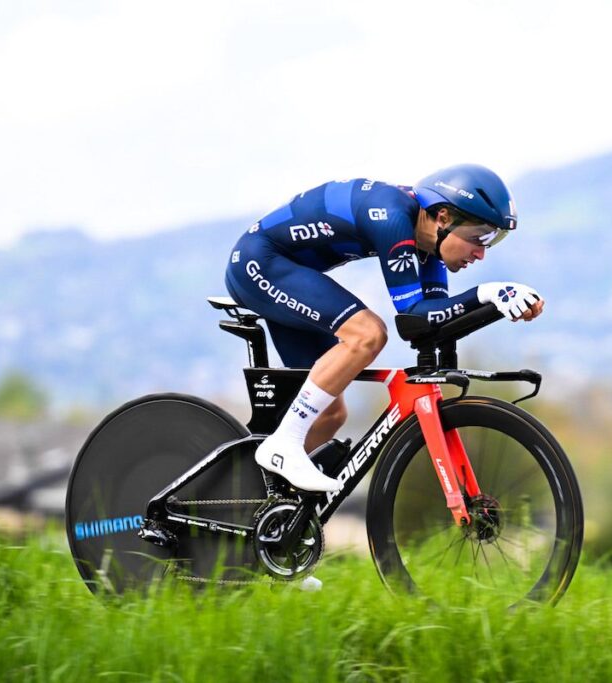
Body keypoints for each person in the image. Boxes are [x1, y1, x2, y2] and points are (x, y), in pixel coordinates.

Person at [224, 164, 544, 492]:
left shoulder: (429, 244)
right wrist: (486, 293)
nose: (481, 254)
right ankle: (284, 445)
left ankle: (266, 500)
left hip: (289, 272)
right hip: (259, 263)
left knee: (330, 415)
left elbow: (432, 322)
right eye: (478, 237)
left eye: (492, 241)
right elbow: (412, 316)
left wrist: (497, 306)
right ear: (443, 217)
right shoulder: (392, 217)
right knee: (368, 334)